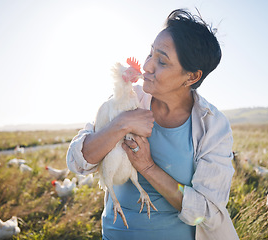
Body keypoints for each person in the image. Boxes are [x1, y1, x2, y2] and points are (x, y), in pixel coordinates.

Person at [66, 9, 239, 240]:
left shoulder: (213, 126)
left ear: (191, 77)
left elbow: (207, 212)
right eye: (150, 53)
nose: (147, 66)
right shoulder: (127, 99)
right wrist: (121, 123)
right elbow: (77, 162)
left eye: (162, 61)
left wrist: (148, 168)